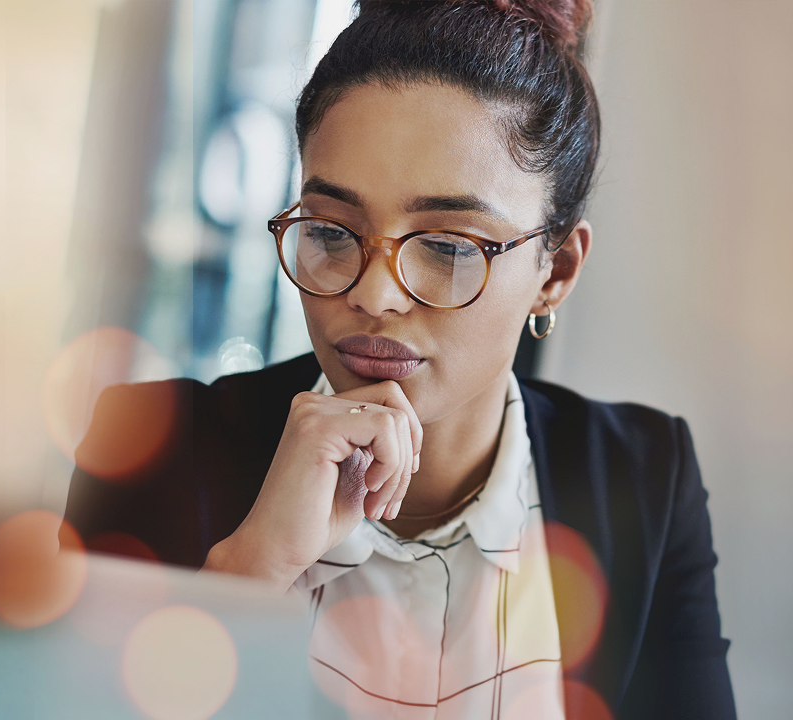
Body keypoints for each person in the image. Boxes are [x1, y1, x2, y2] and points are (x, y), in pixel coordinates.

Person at [62, 0, 735, 717]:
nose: (375, 295)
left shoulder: (644, 477)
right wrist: (248, 572)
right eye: (330, 231)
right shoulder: (154, 448)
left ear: (555, 271)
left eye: (446, 247)